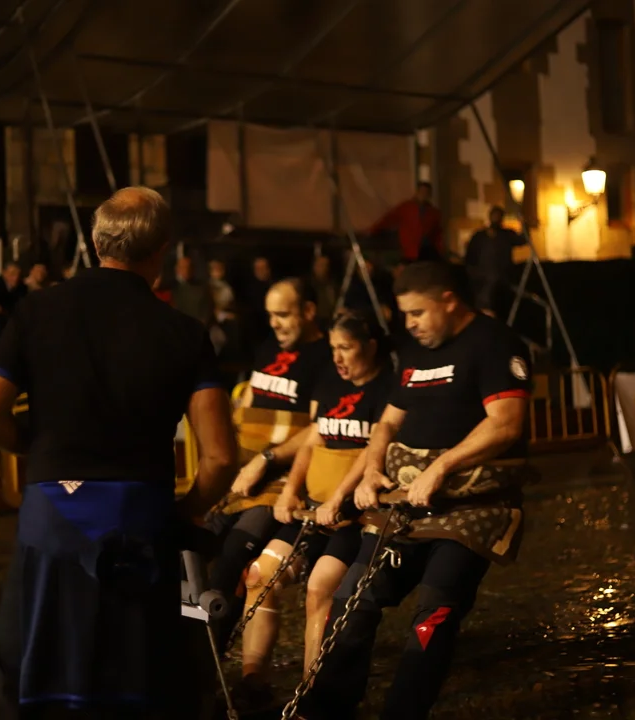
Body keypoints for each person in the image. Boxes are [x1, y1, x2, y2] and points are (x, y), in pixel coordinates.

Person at [0, 187, 238, 719]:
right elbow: (220, 458)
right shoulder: (184, 332)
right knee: (135, 677)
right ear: (161, 250)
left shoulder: (37, 311)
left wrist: (34, 449)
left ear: (95, 243)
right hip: (139, 516)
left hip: (53, 513)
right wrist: (188, 510)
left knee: (25, 671)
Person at [294, 261, 533, 720]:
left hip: (470, 507)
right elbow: (387, 422)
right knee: (353, 597)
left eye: (417, 313)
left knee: (434, 613)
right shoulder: (416, 352)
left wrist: (441, 467)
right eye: (405, 314)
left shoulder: (494, 343)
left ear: (449, 300)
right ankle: (324, 708)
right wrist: (371, 471)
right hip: (403, 504)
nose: (409, 324)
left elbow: (506, 424)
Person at [233, 310, 394, 712]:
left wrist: (338, 499)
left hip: (353, 517)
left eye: (346, 348)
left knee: (320, 587)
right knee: (260, 574)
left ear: (370, 347)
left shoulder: (387, 390)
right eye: (333, 348)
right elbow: (313, 441)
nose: (337, 358)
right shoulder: (330, 382)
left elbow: (371, 451)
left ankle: (312, 690)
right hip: (312, 510)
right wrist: (290, 492)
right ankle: (253, 680)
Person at [207, 279, 332, 654]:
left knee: (231, 557)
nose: (275, 323)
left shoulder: (326, 357)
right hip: (240, 473)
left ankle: (209, 655)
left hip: (279, 480)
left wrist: (266, 459)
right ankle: (183, 645)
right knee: (192, 544)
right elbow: (249, 407)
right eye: (270, 315)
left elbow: (319, 428)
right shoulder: (268, 348)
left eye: (283, 314)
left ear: (308, 311)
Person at [464, 205, 527, 318]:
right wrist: (472, 273)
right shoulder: (479, 236)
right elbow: (470, 256)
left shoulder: (506, 235)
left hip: (502, 278)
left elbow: (523, 240)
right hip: (481, 280)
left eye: (498, 216)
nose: (496, 218)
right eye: (494, 216)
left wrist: (524, 224)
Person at [367, 182, 444, 264]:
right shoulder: (406, 208)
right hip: (410, 251)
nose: (424, 194)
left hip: (426, 252)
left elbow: (437, 234)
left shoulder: (433, 213)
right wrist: (373, 229)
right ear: (417, 192)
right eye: (422, 191)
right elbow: (389, 219)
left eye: (426, 192)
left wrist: (439, 250)